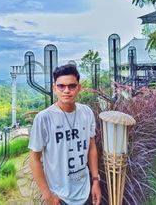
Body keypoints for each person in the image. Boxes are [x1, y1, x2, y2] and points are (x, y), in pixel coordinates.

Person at [28, 64, 101, 205]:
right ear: (54, 88)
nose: (66, 90)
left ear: (78, 88)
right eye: (61, 86)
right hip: (60, 196)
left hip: (85, 190)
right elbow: (34, 158)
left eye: (72, 86)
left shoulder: (86, 112)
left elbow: (91, 146)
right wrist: (47, 195)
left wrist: (95, 180)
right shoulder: (44, 118)